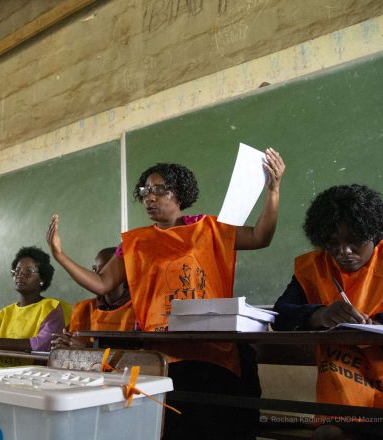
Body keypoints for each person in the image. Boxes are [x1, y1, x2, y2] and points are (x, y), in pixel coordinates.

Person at [47, 151, 285, 439]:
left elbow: (261, 237)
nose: (149, 197)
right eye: (145, 190)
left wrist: (273, 190)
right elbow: (102, 284)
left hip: (212, 351)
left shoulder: (208, 228)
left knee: (216, 425)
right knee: (172, 429)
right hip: (164, 353)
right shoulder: (135, 243)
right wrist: (60, 255)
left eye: (159, 190)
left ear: (179, 194)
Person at [273, 184, 383, 440]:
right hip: (342, 401)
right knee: (327, 435)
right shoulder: (314, 266)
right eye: (333, 243)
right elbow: (281, 315)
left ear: (373, 233)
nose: (343, 252)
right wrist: (320, 315)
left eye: (354, 241)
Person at [0, 246, 71, 366]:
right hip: (1, 375)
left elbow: (42, 344)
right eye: (17, 271)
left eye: (28, 272)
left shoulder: (51, 308)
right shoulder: (4, 313)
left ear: (42, 278)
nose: (20, 275)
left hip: (36, 377)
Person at [51, 247, 136, 350]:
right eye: (94, 269)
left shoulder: (138, 310)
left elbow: (138, 352)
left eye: (105, 269)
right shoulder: (83, 308)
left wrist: (87, 347)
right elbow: (72, 342)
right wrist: (64, 342)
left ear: (123, 271)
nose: (97, 273)